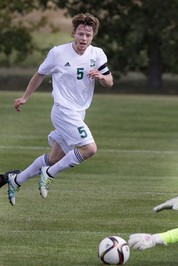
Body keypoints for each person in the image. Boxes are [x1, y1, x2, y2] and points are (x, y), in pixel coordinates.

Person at [6, 13, 113, 206]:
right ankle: (49, 174)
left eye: (88, 35)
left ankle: (16, 180)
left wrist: (101, 77)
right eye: (80, 34)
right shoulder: (58, 53)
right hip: (63, 110)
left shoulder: (97, 54)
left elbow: (109, 81)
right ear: (73, 33)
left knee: (54, 157)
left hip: (79, 112)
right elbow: (39, 74)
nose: (84, 38)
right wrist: (25, 97)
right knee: (89, 149)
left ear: (93, 37)